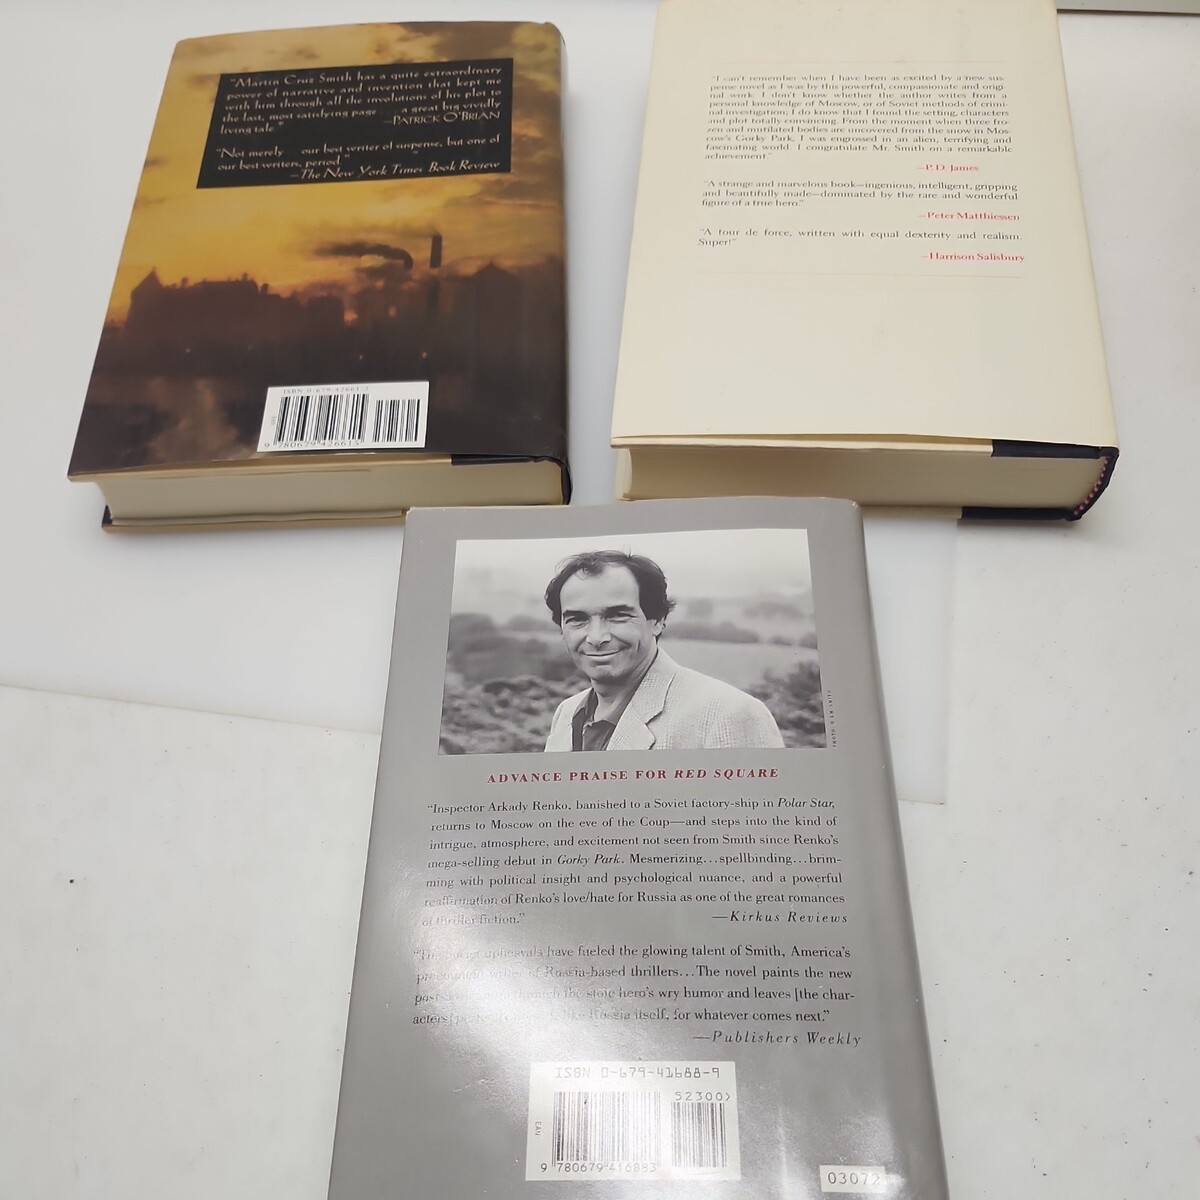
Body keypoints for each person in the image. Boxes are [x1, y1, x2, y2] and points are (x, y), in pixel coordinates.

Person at [542, 550, 784, 752]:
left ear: (657, 620)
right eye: (577, 619)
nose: (596, 638)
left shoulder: (730, 714)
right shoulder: (566, 713)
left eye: (617, 616)